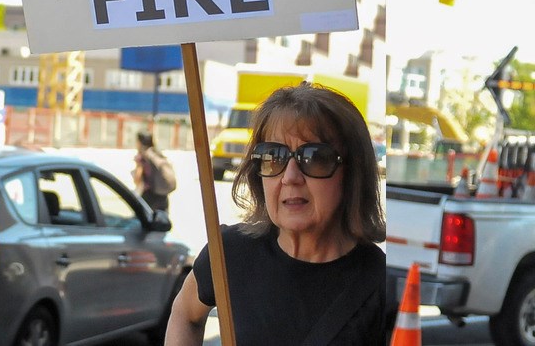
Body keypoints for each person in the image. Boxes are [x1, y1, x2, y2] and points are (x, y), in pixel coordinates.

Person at [165, 82, 386, 345]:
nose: (290, 177)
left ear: (352, 173)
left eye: (314, 157)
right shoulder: (230, 253)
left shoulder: (381, 283)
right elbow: (185, 313)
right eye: (273, 156)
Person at [133, 131, 175, 213]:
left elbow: (137, 179)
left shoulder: (142, 156)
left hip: (149, 196)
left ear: (139, 142)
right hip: (163, 197)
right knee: (162, 222)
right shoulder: (157, 153)